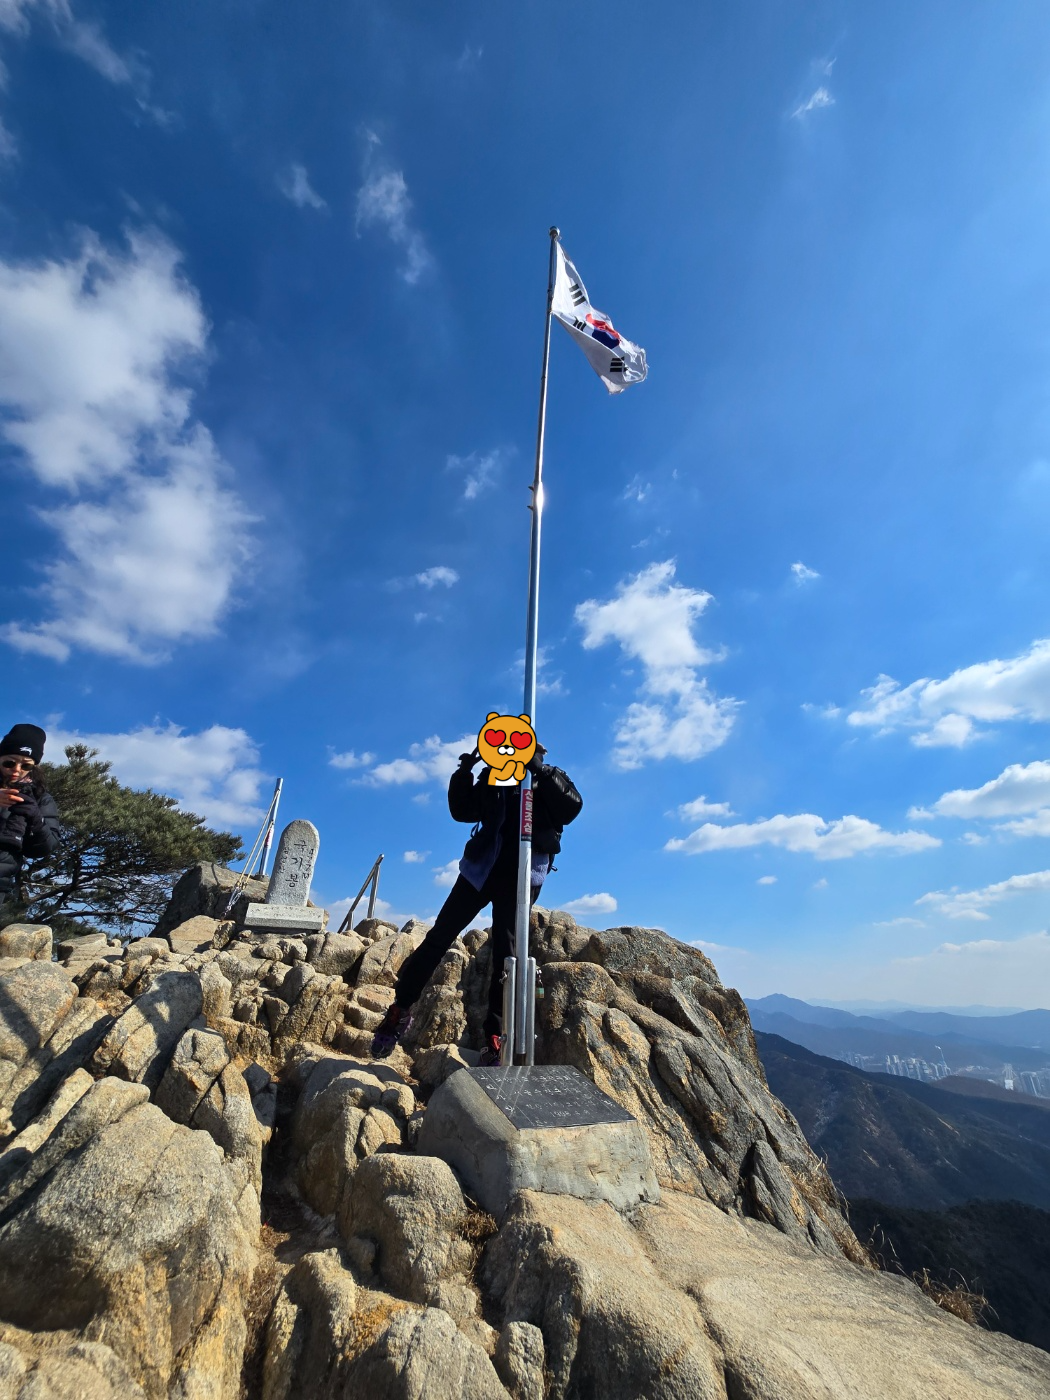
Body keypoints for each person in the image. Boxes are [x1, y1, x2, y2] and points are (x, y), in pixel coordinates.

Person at [372, 737, 582, 1063]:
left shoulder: (549, 779)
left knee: (505, 958)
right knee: (439, 937)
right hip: (479, 871)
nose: (517, 752)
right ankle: (400, 1010)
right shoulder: (495, 775)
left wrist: (542, 773)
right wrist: (464, 772)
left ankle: (495, 1037)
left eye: (528, 748)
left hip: (521, 879)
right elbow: (462, 810)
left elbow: (572, 807)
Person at [0, 724, 61, 912]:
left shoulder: (40, 797)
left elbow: (46, 846)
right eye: (9, 763)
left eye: (26, 765)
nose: (16, 770)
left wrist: (35, 818)